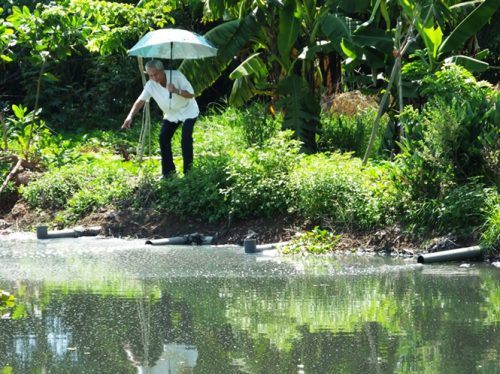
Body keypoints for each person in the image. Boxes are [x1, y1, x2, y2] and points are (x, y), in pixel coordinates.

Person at [122, 60, 199, 178]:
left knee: (186, 138)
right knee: (163, 138)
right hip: (171, 114)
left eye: (155, 74)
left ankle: (188, 172)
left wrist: (176, 91)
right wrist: (130, 116)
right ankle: (168, 173)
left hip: (188, 110)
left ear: (162, 71)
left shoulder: (177, 76)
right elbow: (140, 101)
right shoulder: (150, 85)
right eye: (150, 75)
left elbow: (191, 94)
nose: (153, 78)